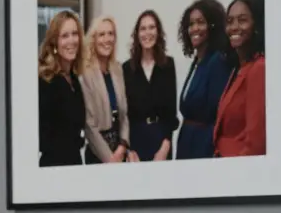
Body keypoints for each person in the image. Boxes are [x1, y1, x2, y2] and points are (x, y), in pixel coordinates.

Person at [175, 0, 232, 159]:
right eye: (191, 24)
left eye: (200, 22)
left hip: (203, 146)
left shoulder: (217, 61)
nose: (194, 28)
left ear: (212, 25)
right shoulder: (197, 61)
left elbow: (217, 113)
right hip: (187, 141)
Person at [214, 0, 266, 157]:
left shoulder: (259, 68)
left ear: (257, 25)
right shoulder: (238, 68)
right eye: (230, 21)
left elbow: (256, 143)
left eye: (242, 20)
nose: (234, 27)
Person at [79, 16, 137, 163]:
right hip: (97, 154)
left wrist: (123, 146)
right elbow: (89, 124)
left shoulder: (118, 68)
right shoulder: (85, 72)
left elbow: (124, 114)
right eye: (102, 34)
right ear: (93, 39)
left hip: (120, 149)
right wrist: (110, 159)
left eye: (111, 34)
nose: (107, 39)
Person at [122, 10, 177, 161]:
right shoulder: (127, 68)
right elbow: (124, 115)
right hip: (136, 142)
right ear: (137, 34)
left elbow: (171, 113)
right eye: (143, 28)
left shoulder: (168, 65)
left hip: (161, 139)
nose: (147, 33)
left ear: (158, 32)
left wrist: (165, 148)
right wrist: (129, 150)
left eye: (152, 27)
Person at [37, 10, 87, 166]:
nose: (71, 40)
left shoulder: (74, 79)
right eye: (64, 36)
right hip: (54, 167)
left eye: (74, 34)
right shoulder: (46, 81)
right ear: (54, 43)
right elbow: (42, 138)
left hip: (74, 163)